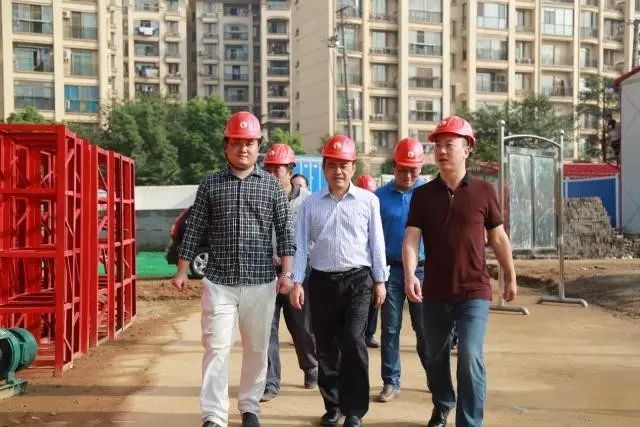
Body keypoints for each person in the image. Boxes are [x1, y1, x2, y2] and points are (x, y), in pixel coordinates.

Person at [171, 111, 295, 427]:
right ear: (226, 145)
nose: (243, 148)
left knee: (256, 348)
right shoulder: (211, 184)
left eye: (249, 143)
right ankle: (214, 415)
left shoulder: (272, 187)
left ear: (258, 146)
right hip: (219, 283)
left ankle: (250, 407)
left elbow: (285, 232)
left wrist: (286, 274)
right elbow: (194, 227)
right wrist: (182, 270)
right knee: (216, 348)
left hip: (261, 283)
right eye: (237, 142)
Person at [403, 116, 517, 427]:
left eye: (449, 145)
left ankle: (469, 422)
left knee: (470, 355)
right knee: (434, 355)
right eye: (437, 145)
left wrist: (510, 275)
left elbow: (498, 237)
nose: (441, 151)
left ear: (467, 149)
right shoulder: (423, 195)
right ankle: (443, 403)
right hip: (435, 291)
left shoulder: (484, 191)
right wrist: (411, 274)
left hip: (473, 290)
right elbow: (412, 237)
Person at [290, 135, 388, 427]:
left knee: (354, 341)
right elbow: (300, 245)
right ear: (324, 168)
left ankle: (354, 410)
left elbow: (377, 243)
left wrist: (380, 280)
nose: (338, 171)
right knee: (327, 346)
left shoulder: (368, 201)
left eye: (344, 165)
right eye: (332, 165)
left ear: (353, 167)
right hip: (322, 282)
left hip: (359, 281)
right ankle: (333, 406)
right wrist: (296, 282)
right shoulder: (311, 204)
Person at [261, 144, 318, 402]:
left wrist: (297, 266)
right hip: (266, 273)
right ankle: (270, 382)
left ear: (290, 170)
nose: (273, 174)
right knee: (267, 328)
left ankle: (311, 367)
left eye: (278, 170)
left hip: (297, 274)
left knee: (302, 327)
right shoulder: (259, 197)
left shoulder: (307, 200)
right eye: (269, 170)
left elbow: (314, 237)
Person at [374, 137, 429, 403]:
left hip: (423, 272)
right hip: (391, 272)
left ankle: (434, 377)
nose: (407, 176)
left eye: (413, 170)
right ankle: (391, 381)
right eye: (402, 170)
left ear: (421, 168)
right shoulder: (378, 198)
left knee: (425, 329)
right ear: (393, 166)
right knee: (390, 329)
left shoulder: (430, 195)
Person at [354, 174, 381, 349]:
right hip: (360, 262)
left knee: (375, 301)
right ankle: (360, 334)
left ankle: (369, 334)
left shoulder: (375, 205)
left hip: (376, 260)